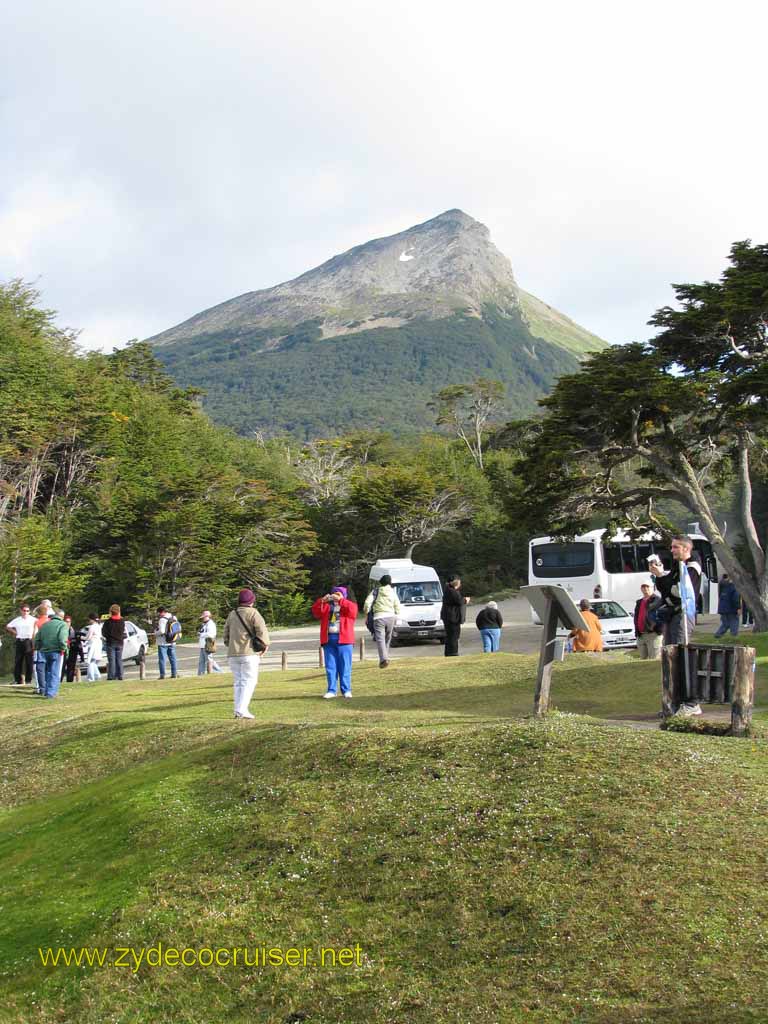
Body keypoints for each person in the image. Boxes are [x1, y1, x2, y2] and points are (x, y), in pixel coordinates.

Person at [650, 534, 702, 715]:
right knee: (670, 657)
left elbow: (677, 592)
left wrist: (660, 578)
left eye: (675, 547)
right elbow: (668, 590)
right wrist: (661, 576)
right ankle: (674, 702)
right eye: (671, 547)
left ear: (686, 549)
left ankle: (692, 702)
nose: (671, 550)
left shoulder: (691, 568)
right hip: (673, 616)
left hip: (683, 616)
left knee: (683, 656)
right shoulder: (677, 566)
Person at [222, 588, 270, 719]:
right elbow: (262, 631)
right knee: (249, 681)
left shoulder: (232, 614)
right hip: (249, 652)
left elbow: (225, 634)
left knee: (238, 682)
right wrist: (265, 645)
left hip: (233, 653)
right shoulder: (253, 613)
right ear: (251, 601)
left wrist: (230, 644)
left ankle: (238, 709)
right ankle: (242, 710)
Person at [312, 585, 358, 697]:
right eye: (335, 594)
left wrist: (341, 600)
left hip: (345, 640)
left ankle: (346, 690)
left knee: (345, 666)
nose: (336, 596)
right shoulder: (327, 607)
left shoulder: (348, 605)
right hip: (329, 640)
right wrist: (322, 600)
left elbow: (353, 611)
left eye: (339, 594)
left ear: (344, 596)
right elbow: (316, 612)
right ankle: (331, 690)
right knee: (331, 666)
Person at [363, 574, 402, 667]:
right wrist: (397, 614)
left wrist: (366, 612)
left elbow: (367, 603)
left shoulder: (376, 591)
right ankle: (386, 657)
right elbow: (397, 604)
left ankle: (383, 659)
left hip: (379, 617)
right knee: (387, 638)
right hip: (390, 617)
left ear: (381, 582)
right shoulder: (393, 592)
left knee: (380, 639)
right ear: (390, 582)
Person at [34, 608, 69, 698]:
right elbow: (62, 639)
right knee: (54, 672)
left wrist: (38, 648)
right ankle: (51, 693)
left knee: (47, 671)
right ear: (62, 617)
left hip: (44, 651)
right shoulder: (63, 625)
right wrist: (64, 648)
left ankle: (46, 690)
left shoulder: (45, 625)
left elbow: (37, 639)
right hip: (56, 651)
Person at [6, 603, 35, 685]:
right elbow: (8, 626)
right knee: (18, 661)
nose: (26, 612)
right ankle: (17, 679)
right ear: (21, 611)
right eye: (24, 610)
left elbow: (38, 627)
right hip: (19, 641)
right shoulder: (17, 619)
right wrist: (15, 633)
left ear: (29, 612)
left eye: (27, 611)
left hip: (29, 641)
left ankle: (28, 680)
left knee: (29, 661)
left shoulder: (33, 619)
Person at [440, 576, 470, 657]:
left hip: (449, 616)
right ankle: (453, 653)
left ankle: (449, 652)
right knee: (454, 636)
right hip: (452, 617)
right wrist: (466, 600)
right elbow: (459, 601)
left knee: (450, 636)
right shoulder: (452, 591)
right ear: (456, 583)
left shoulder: (448, 590)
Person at [634, 583, 663, 659]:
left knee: (654, 658)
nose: (645, 588)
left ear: (653, 588)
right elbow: (636, 617)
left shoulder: (657, 600)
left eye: (647, 586)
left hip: (653, 634)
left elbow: (662, 616)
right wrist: (637, 632)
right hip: (641, 635)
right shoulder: (639, 602)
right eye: (643, 586)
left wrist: (659, 630)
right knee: (643, 659)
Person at [32, 600, 53, 694]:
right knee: (49, 668)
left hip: (40, 648)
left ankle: (42, 688)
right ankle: (50, 687)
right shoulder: (50, 621)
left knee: (39, 668)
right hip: (51, 647)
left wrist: (34, 646)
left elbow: (34, 635)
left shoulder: (37, 622)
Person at [101, 605, 127, 680]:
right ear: (118, 611)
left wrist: (107, 637)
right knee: (119, 659)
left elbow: (104, 633)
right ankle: (120, 675)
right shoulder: (122, 621)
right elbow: (123, 632)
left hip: (111, 642)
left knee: (111, 660)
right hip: (120, 642)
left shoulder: (108, 622)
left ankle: (111, 676)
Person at [156, 607, 179, 679]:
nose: (159, 615)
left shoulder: (162, 620)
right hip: (172, 641)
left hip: (163, 642)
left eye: (159, 613)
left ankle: (162, 675)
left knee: (162, 659)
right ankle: (174, 673)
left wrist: (155, 632)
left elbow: (162, 631)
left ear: (162, 612)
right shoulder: (174, 617)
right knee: (173, 658)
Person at [198, 610, 223, 674]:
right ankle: (200, 674)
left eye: (203, 617)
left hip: (208, 645)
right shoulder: (204, 624)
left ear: (207, 616)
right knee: (202, 661)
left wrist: (201, 634)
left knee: (209, 660)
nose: (202, 619)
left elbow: (211, 634)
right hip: (202, 645)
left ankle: (219, 671)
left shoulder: (211, 624)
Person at [84, 613, 103, 681]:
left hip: (93, 644)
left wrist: (81, 637)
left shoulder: (92, 627)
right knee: (94, 661)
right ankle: (97, 675)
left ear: (92, 619)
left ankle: (91, 678)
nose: (89, 621)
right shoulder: (98, 626)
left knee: (90, 661)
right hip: (98, 644)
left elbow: (88, 637)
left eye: (89, 619)